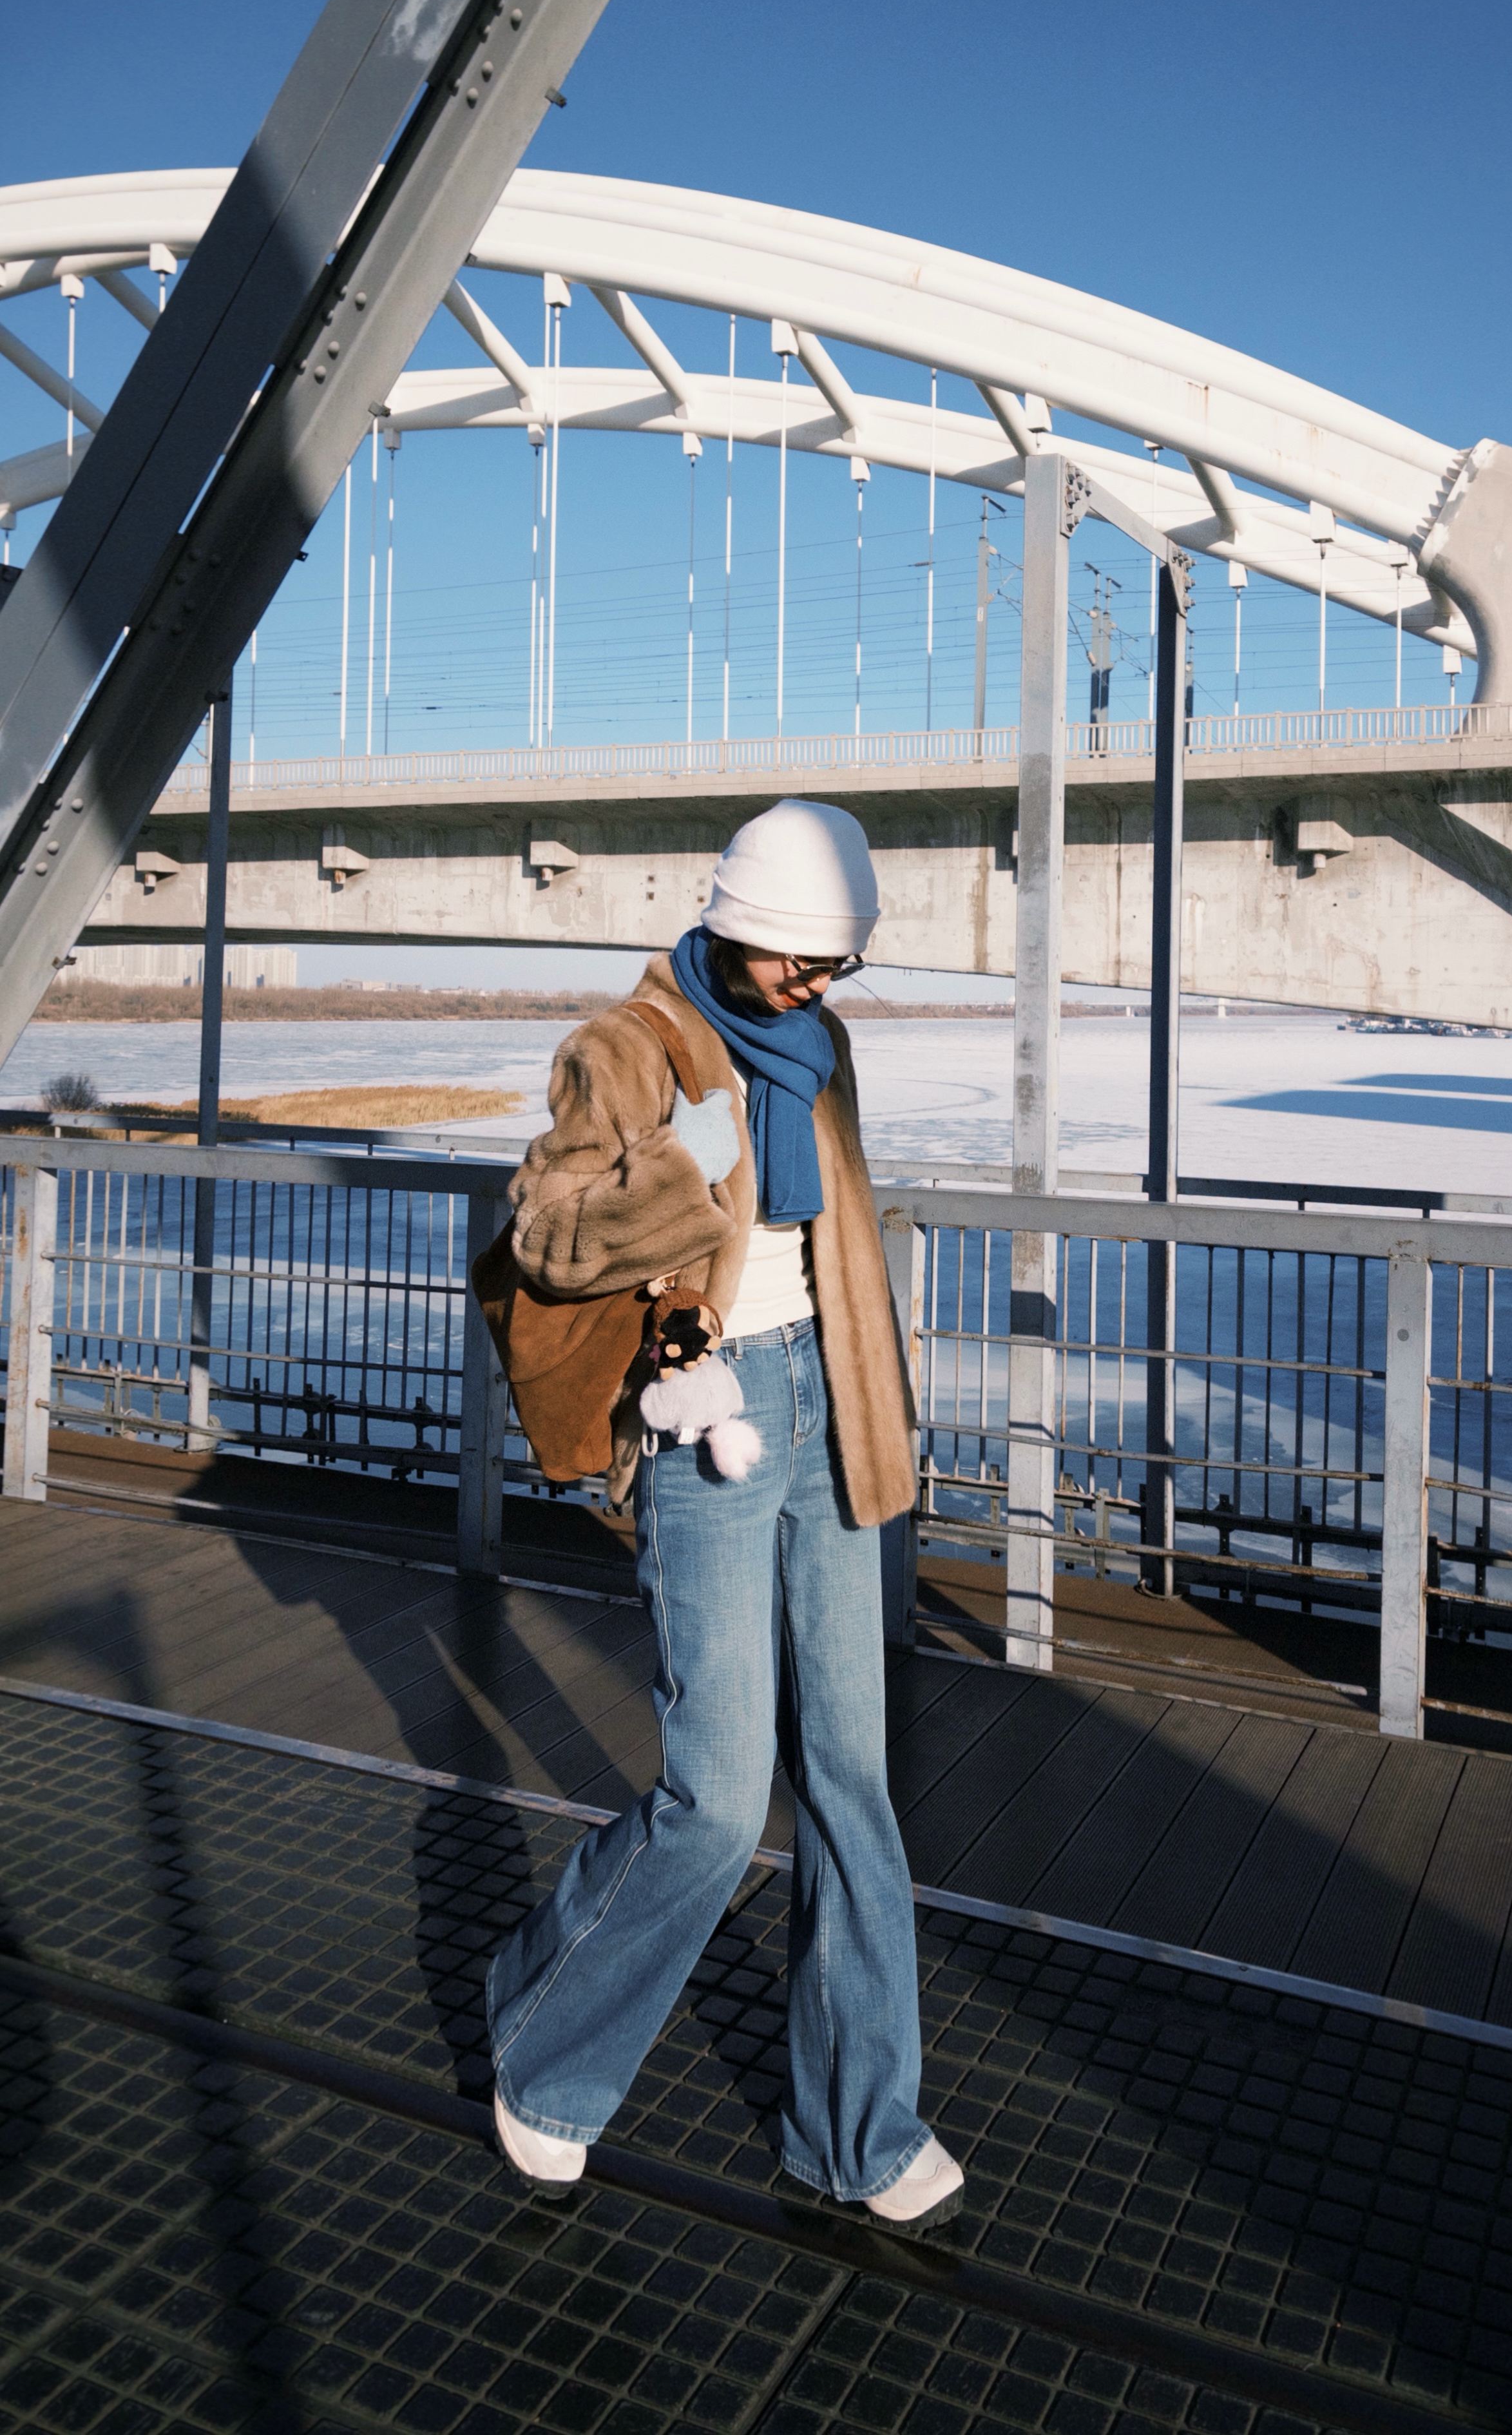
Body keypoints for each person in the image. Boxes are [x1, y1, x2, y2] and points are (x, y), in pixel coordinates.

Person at [483, 799, 963, 2235]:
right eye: (797, 963)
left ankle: (857, 2134)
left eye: (837, 968)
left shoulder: (819, 1048)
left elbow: (833, 1241)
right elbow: (552, 1227)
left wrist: (879, 1402)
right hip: (711, 1426)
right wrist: (675, 1207)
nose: (816, 989)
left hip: (830, 1403)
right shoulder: (628, 1047)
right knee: (714, 1800)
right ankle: (544, 2044)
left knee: (854, 1787)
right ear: (735, 927)